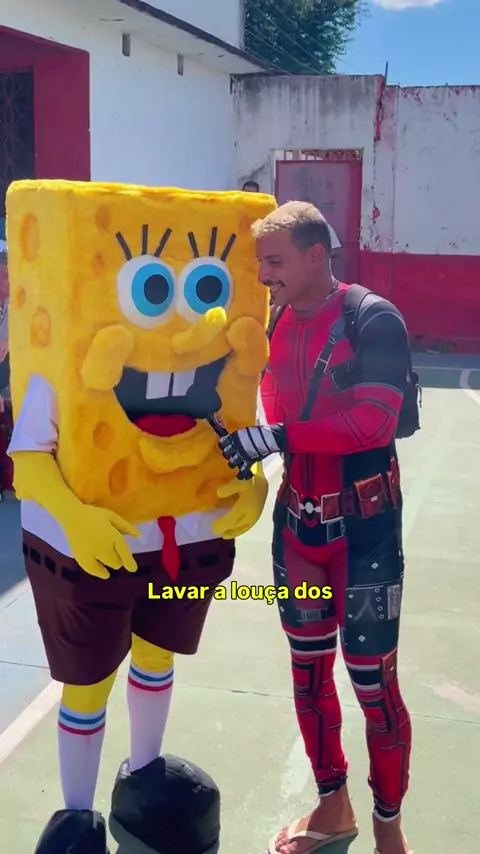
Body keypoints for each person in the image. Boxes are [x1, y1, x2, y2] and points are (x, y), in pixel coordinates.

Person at [6, 180, 275, 854]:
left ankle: (146, 773)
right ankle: (76, 815)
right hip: (93, 546)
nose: (192, 328)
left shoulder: (227, 375)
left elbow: (248, 439)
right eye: (153, 290)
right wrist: (73, 516)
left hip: (191, 542)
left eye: (210, 292)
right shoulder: (64, 371)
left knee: (158, 655)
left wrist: (255, 488)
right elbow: (29, 462)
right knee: (89, 681)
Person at [218, 202, 414, 854]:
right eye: (260, 263)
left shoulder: (373, 318)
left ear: (314, 256)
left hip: (365, 536)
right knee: (308, 675)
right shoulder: (272, 321)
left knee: (374, 687)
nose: (262, 275)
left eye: (273, 262)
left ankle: (389, 829)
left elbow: (374, 424)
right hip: (298, 530)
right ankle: (335, 808)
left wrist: (277, 436)